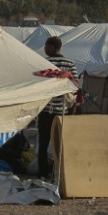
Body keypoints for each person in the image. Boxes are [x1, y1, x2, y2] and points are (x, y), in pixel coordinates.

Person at [37, 36, 78, 180]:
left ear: (53, 47)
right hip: (63, 112)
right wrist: (72, 110)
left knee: (43, 143)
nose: (44, 49)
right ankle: (59, 172)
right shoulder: (70, 64)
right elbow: (75, 88)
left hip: (46, 111)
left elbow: (38, 87)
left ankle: (43, 174)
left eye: (46, 47)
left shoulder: (45, 63)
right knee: (60, 144)